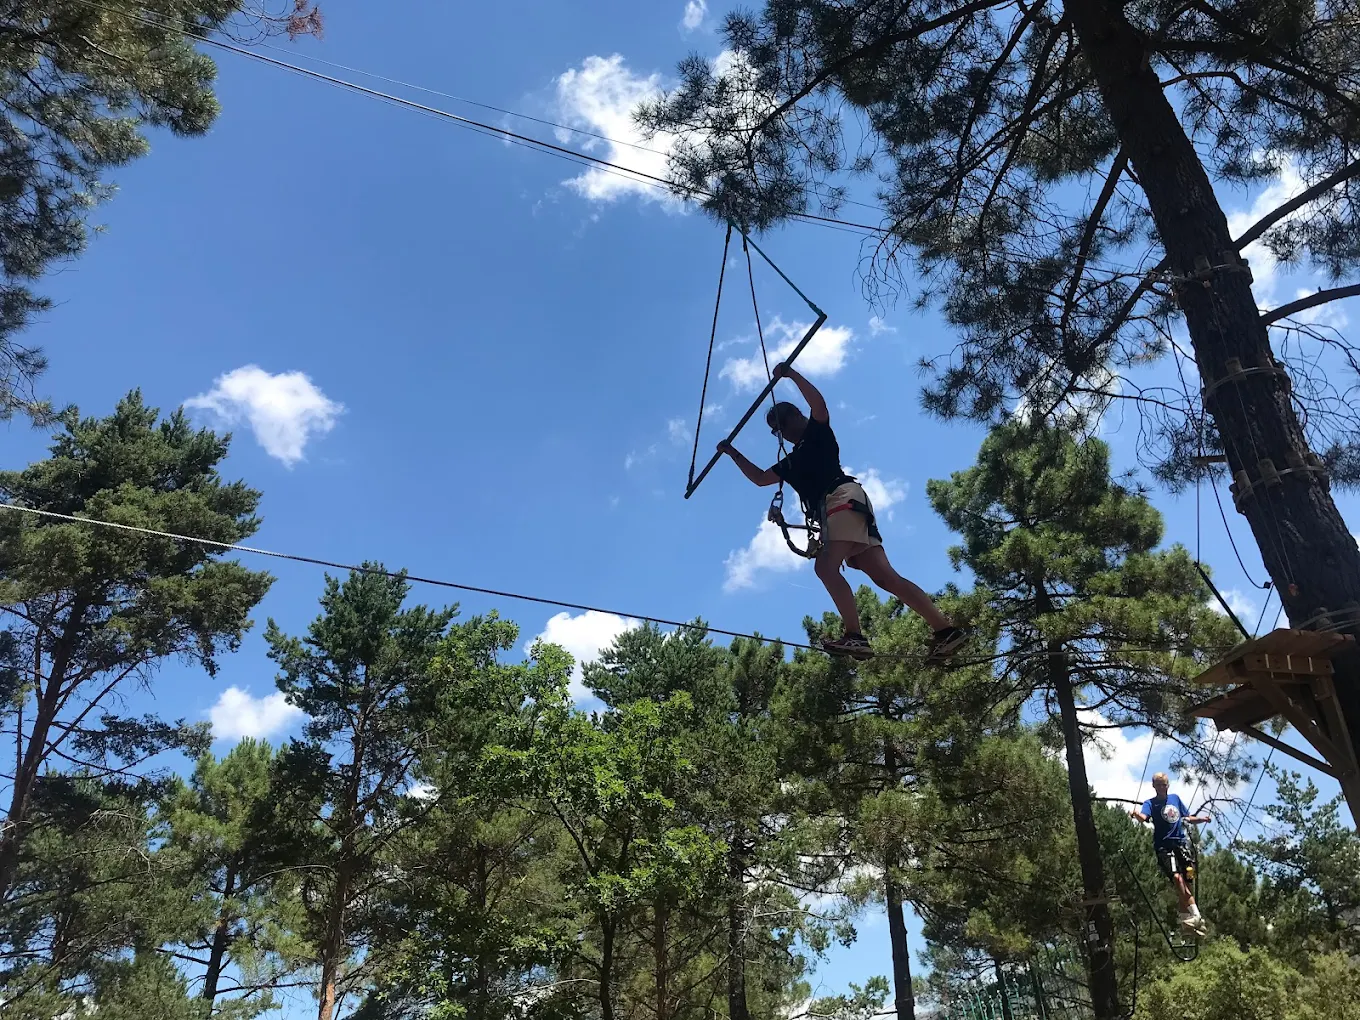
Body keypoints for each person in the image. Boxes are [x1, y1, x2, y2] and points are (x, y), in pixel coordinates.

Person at [716, 361, 967, 662]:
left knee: (824, 568)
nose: (781, 432)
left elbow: (818, 404)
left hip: (842, 498)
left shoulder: (818, 434)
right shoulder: (791, 463)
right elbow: (759, 478)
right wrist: (732, 453)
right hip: (842, 508)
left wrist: (792, 374)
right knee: (886, 578)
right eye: (775, 431)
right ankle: (944, 630)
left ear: (796, 415)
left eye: (782, 423)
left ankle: (855, 637)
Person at [1130, 773, 1212, 935]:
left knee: (1186, 883)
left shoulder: (1175, 798)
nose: (1162, 787)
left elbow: (1188, 817)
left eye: (1164, 784)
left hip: (1181, 845)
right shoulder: (1150, 804)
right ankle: (1196, 916)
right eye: (1158, 785)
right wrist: (1136, 815)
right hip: (1164, 847)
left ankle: (1186, 922)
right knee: (1177, 878)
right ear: (1154, 786)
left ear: (1168, 785)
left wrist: (1202, 819)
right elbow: (1143, 817)